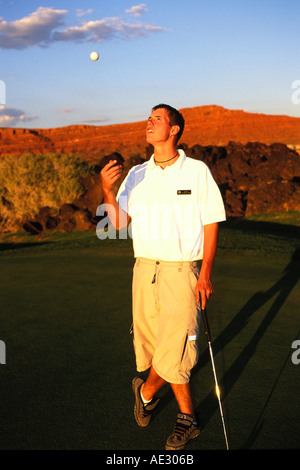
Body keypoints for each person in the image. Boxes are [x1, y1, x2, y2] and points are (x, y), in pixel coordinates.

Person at [100, 104, 226, 450]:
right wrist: (109, 192)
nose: (149, 122)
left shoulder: (197, 171)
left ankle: (146, 391)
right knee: (159, 347)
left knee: (174, 348)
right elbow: (118, 223)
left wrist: (206, 274)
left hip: (181, 270)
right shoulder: (138, 174)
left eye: (157, 119)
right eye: (148, 118)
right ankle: (188, 417)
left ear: (174, 130)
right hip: (144, 270)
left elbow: (211, 221)